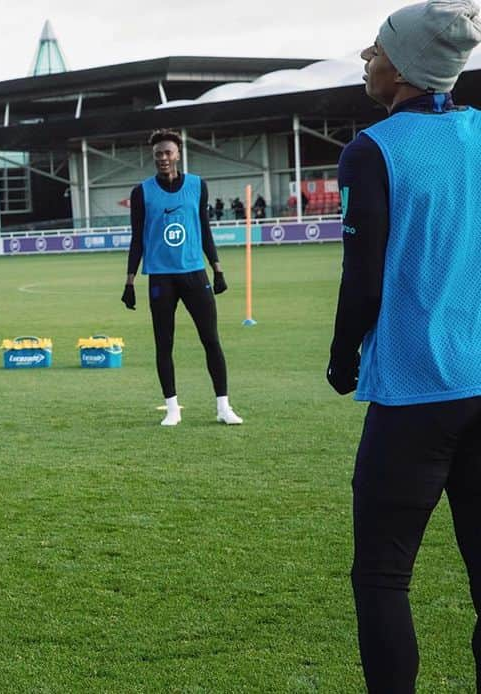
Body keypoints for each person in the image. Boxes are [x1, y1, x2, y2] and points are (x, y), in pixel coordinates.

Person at [326, 2, 481, 690]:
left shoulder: (372, 149)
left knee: (383, 576)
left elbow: (362, 280)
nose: (367, 55)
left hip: (416, 393)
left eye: (379, 47)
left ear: (408, 66)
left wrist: (341, 356)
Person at [122, 129, 242, 426]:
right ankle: (173, 408)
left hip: (194, 274)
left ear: (178, 153)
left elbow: (204, 228)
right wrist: (129, 282)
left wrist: (217, 269)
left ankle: (223, 407)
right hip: (161, 279)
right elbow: (137, 239)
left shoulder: (198, 186)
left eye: (167, 152)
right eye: (158, 154)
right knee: (164, 344)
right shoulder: (142, 192)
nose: (163, 158)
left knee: (211, 340)